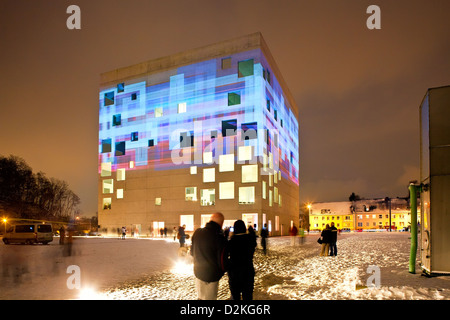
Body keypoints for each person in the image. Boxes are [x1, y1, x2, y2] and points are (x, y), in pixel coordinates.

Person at [190, 212, 228, 300]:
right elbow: (222, 261)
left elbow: (192, 252)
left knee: (200, 297)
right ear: (221, 223)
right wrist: (221, 272)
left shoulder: (198, 232)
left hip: (198, 273)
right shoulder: (220, 238)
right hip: (212, 275)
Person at [228, 220, 257, 300]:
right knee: (248, 295)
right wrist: (251, 230)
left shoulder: (231, 242)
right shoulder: (250, 240)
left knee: (235, 295)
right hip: (248, 270)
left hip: (235, 272)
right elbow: (253, 237)